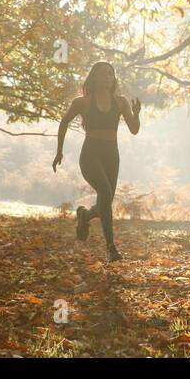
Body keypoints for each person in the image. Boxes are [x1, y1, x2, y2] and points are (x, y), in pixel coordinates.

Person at [52, 61, 140, 261]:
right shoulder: (82, 102)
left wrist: (137, 115)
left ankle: (84, 216)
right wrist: (59, 152)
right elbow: (64, 122)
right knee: (106, 192)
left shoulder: (121, 102)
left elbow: (134, 129)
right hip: (90, 154)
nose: (107, 78)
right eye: (103, 74)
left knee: (105, 203)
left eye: (110, 74)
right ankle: (111, 249)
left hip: (112, 155)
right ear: (94, 77)